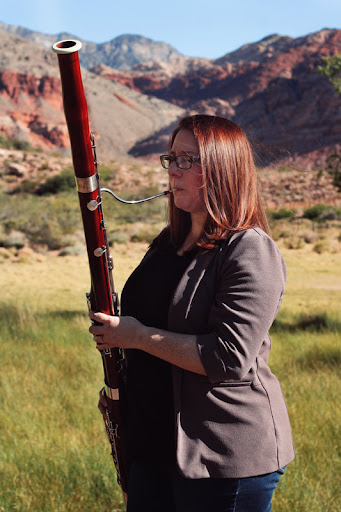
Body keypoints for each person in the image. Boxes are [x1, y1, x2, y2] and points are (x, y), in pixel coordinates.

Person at [89, 114, 295, 512]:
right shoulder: (168, 243)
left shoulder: (249, 248)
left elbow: (228, 358)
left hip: (222, 458)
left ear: (223, 168)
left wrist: (135, 336)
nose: (175, 171)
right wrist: (124, 389)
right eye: (172, 159)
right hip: (152, 447)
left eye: (190, 159)